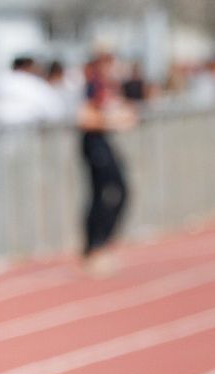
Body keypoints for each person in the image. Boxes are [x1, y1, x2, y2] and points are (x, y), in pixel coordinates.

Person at [78, 53, 137, 274]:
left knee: (117, 192)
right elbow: (84, 117)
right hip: (94, 145)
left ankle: (98, 246)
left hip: (102, 143)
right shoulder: (91, 86)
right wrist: (112, 121)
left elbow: (126, 112)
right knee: (105, 194)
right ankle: (94, 248)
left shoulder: (106, 85)